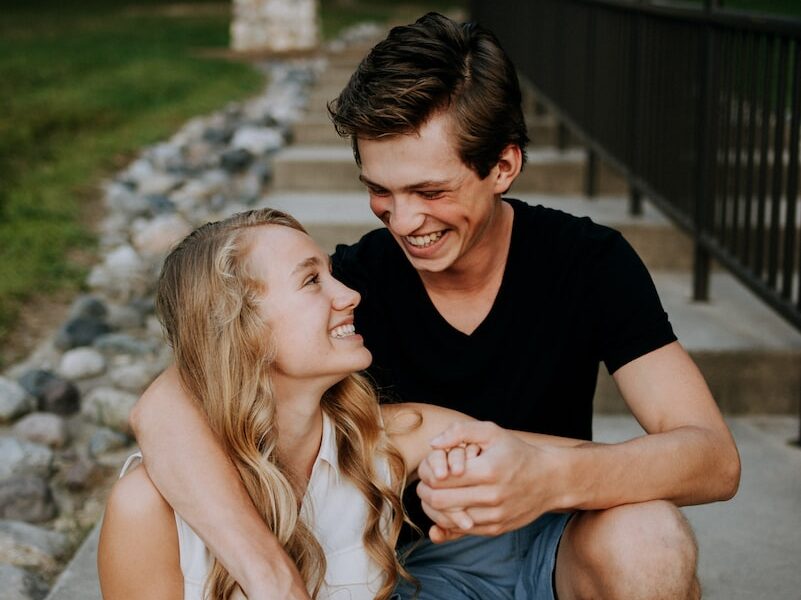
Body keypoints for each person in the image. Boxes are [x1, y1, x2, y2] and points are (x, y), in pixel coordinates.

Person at [129, 12, 741, 600]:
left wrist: (547, 479)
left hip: (560, 545)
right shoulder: (353, 287)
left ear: (503, 166)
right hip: (411, 568)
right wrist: (271, 576)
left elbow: (712, 458)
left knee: (650, 537)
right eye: (380, 191)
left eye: (430, 191)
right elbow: (169, 403)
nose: (403, 220)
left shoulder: (587, 262)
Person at [98, 208, 581, 599]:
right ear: (241, 327)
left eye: (331, 274)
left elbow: (576, 465)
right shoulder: (146, 509)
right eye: (312, 281)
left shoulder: (389, 440)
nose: (350, 295)